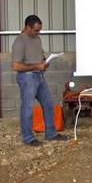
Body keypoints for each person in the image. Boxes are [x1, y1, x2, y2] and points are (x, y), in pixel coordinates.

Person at [12, 15, 69, 146]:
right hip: (27, 78)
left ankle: (51, 134)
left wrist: (44, 63)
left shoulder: (36, 39)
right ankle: (28, 138)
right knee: (27, 107)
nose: (39, 33)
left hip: (39, 76)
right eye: (36, 30)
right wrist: (36, 66)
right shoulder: (20, 42)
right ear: (28, 27)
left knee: (49, 104)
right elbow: (16, 66)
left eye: (39, 30)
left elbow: (40, 57)